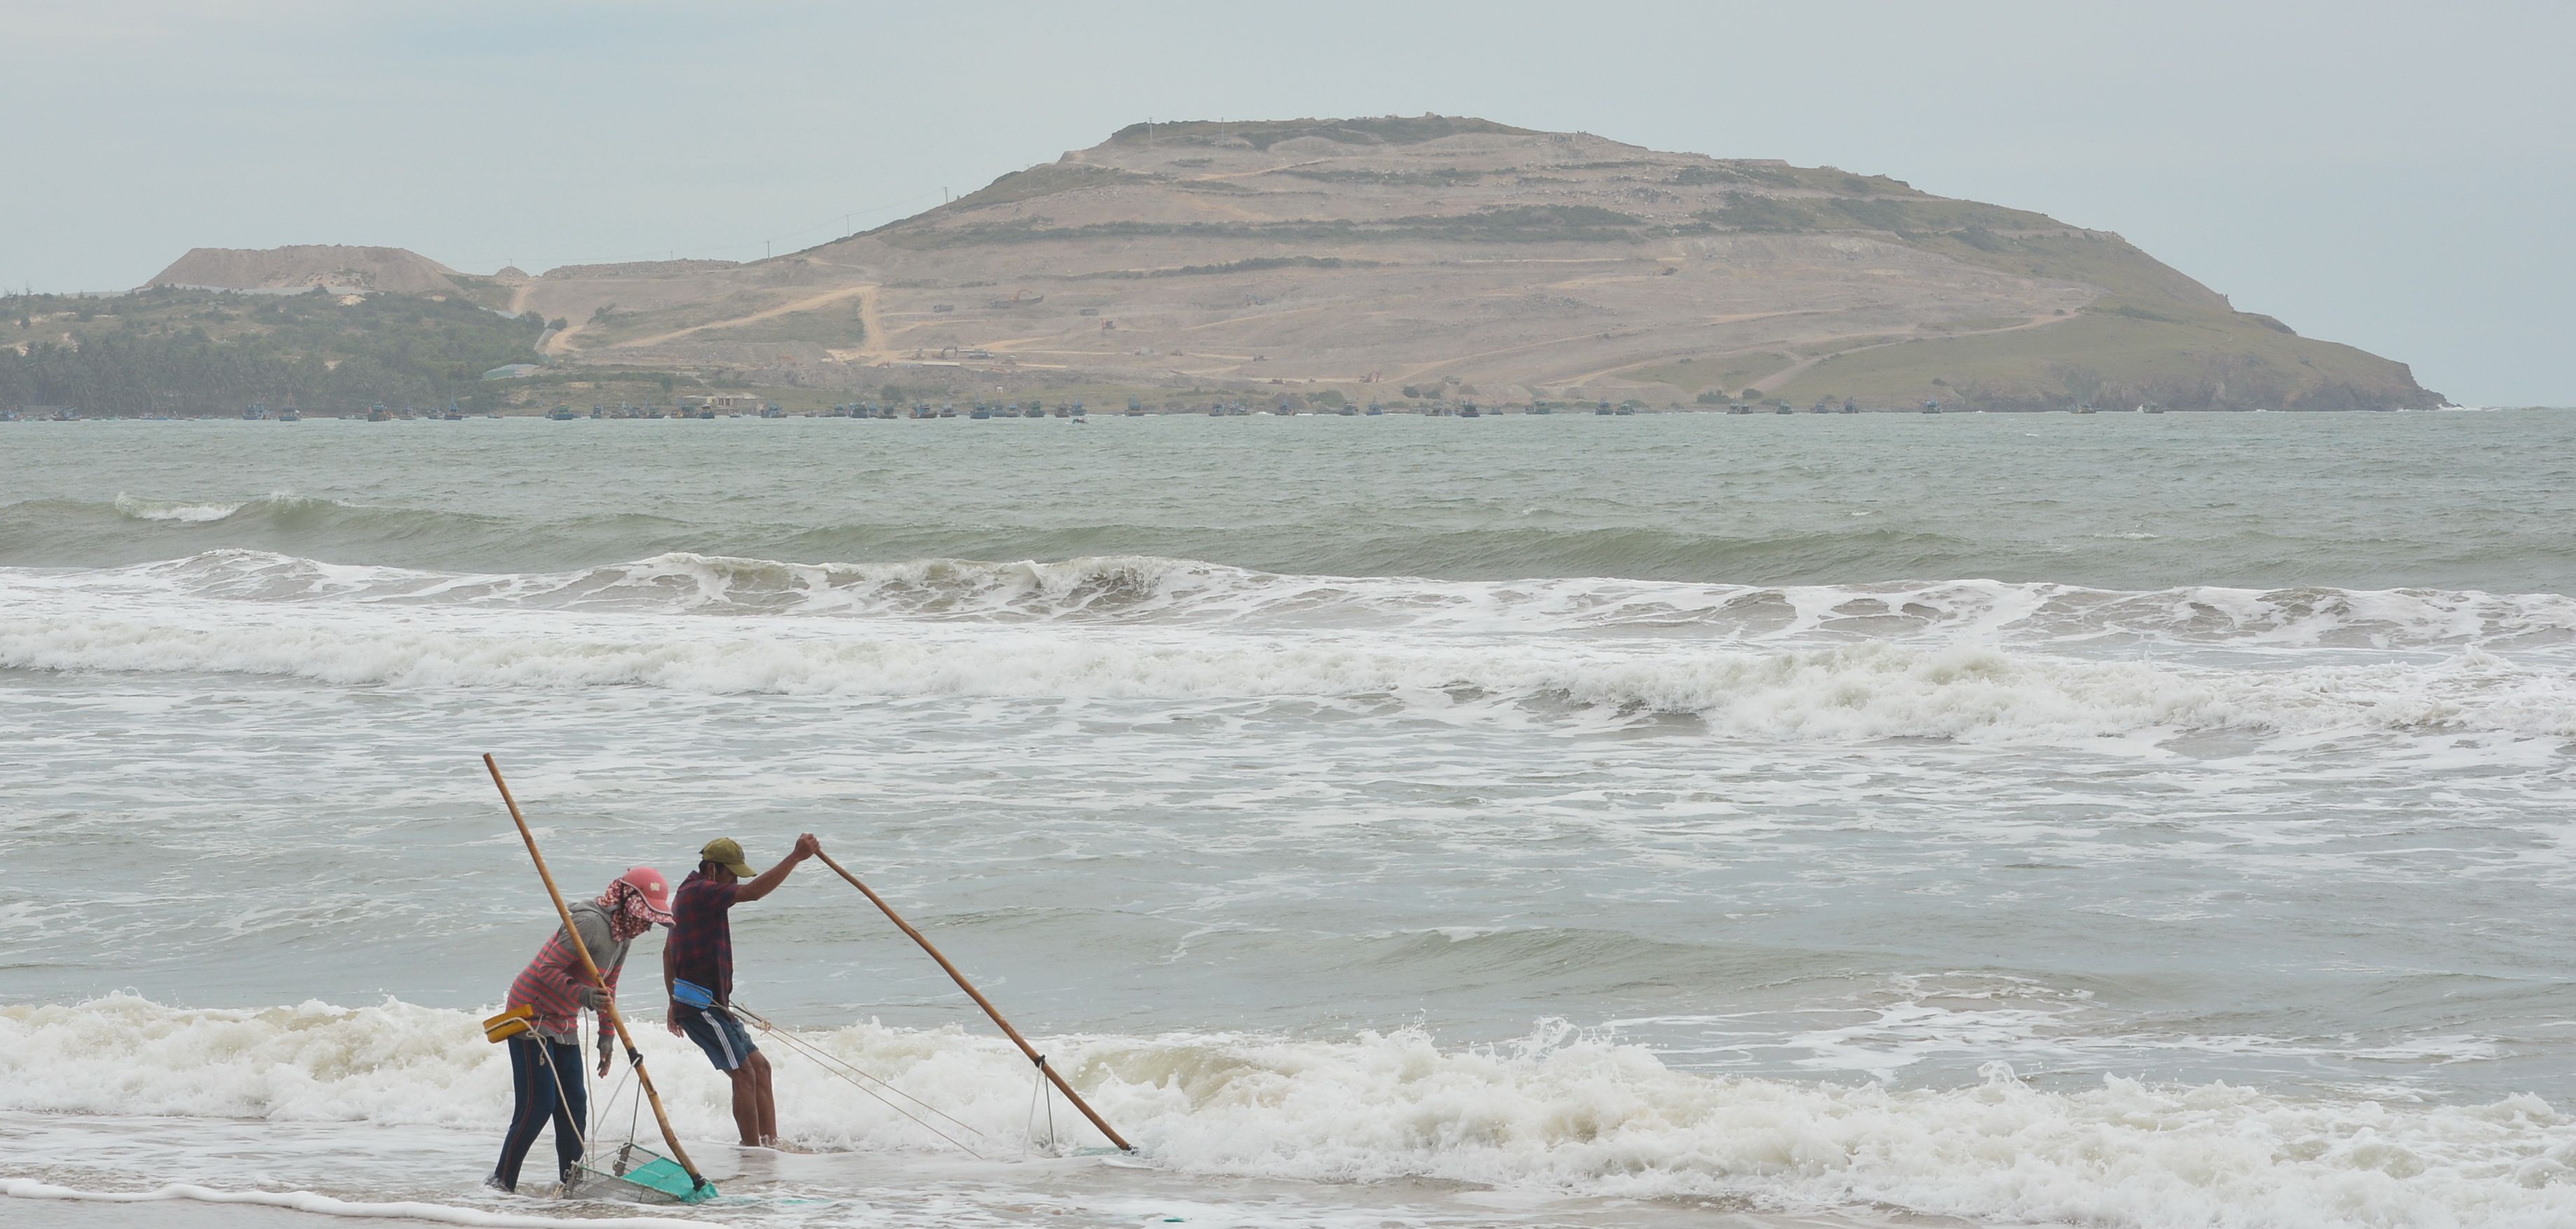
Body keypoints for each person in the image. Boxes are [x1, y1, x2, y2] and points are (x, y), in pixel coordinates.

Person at [491, 866, 673, 1193]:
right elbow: (546, 969)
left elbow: (608, 985)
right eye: (645, 917)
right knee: (537, 1106)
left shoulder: (624, 934)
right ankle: (500, 1183)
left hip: (564, 1019)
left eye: (652, 920)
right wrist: (584, 995)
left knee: (574, 1103)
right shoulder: (588, 924)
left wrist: (607, 1037)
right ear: (625, 903)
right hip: (531, 1015)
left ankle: (571, 1186)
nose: (647, 926)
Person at [666, 833, 819, 1147]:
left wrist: (671, 1000)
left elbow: (669, 952)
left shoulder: (694, 896)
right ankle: (753, 1154)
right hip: (700, 1007)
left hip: (714, 1004)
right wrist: (796, 857)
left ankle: (771, 1145)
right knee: (743, 1074)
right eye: (731, 873)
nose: (734, 880)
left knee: (760, 1067)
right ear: (712, 870)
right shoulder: (699, 891)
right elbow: (753, 892)